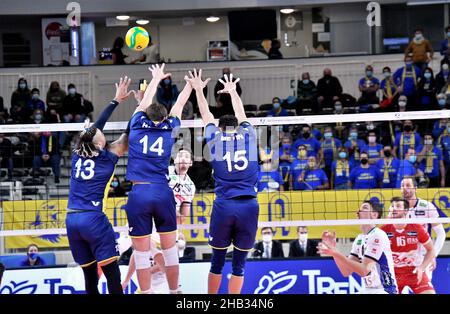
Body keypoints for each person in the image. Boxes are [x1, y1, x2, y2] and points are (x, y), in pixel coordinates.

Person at [188, 69, 259, 294]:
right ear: (237, 127)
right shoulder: (250, 135)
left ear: (220, 129)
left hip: (225, 205)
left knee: (216, 262)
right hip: (249, 205)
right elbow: (242, 113)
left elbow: (206, 113)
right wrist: (233, 92)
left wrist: (199, 90)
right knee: (239, 265)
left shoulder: (215, 139)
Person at [125, 64, 192, 294]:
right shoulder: (169, 127)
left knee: (142, 254)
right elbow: (180, 104)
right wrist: (190, 86)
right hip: (163, 192)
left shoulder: (135, 124)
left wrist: (155, 78)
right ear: (164, 117)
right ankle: (175, 292)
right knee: (170, 250)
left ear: (145, 115)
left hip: (140, 192)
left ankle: (145, 293)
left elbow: (143, 104)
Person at [65, 76, 134, 295]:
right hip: (93, 219)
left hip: (72, 219)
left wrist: (115, 101)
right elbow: (128, 135)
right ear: (100, 142)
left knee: (89, 276)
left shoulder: (78, 154)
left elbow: (93, 130)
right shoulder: (107, 158)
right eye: (101, 134)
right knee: (112, 274)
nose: (102, 130)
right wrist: (139, 106)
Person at [121, 150, 196, 293]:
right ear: (174, 159)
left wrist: (172, 211)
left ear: (191, 163)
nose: (184, 159)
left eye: (187, 157)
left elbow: (183, 217)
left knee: (166, 256)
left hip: (166, 221)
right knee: (137, 248)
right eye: (181, 155)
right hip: (149, 213)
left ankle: (173, 288)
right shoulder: (165, 172)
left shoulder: (190, 186)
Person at [317, 201, 398, 294]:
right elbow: (346, 271)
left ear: (374, 215)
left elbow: (364, 270)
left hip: (385, 290)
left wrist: (335, 253)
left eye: (365, 208)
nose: (359, 211)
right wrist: (333, 250)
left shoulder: (378, 235)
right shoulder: (360, 239)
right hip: (369, 290)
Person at [381, 197, 435, 294]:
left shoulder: (417, 228)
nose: (393, 208)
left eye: (398, 206)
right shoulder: (383, 230)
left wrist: (422, 268)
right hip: (393, 274)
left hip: (414, 271)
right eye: (392, 206)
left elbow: (431, 250)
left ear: (406, 210)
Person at [400, 176, 446, 280]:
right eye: (402, 186)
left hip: (423, 257)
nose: (404, 188)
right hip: (403, 257)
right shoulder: (396, 208)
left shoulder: (427, 206)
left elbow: (441, 234)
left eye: (408, 185)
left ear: (415, 188)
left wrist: (433, 255)